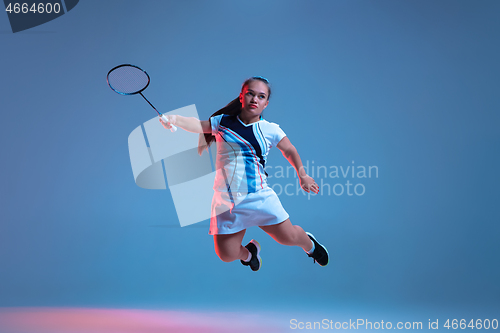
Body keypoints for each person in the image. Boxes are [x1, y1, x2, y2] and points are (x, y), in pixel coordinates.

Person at [159, 76, 328, 271]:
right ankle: (250, 254)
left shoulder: (270, 130)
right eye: (250, 94)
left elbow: (289, 150)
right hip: (226, 202)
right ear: (241, 96)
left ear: (266, 103)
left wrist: (302, 175)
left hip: (258, 197)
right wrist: (174, 119)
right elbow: (198, 125)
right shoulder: (222, 122)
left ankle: (311, 245)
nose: (255, 99)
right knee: (226, 254)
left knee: (288, 237)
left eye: (261, 96)